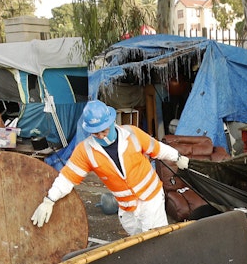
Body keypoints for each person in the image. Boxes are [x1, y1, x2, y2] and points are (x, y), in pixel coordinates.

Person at [31, 100, 189, 236]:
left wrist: (177, 157)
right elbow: (67, 177)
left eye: (104, 131)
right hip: (127, 206)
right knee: (136, 242)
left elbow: (158, 149)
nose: (101, 136)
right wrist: (49, 200)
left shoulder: (132, 134)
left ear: (112, 122)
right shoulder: (85, 151)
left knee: (156, 241)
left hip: (151, 199)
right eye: (95, 133)